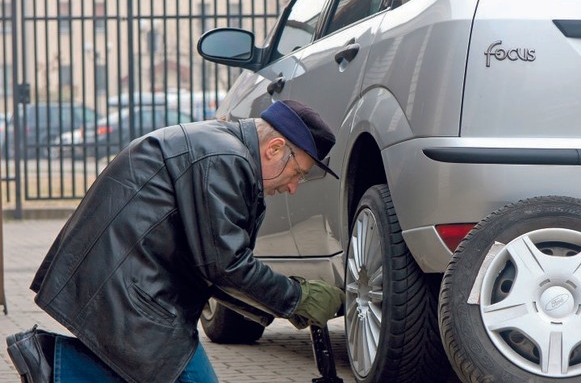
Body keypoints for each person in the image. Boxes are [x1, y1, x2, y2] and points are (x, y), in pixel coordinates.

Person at [6, 100, 344, 383]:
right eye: (298, 172)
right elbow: (226, 264)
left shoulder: (224, 150)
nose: (294, 186)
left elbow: (213, 265)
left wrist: (286, 304)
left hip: (131, 279)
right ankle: (55, 367)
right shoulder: (226, 160)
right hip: (131, 286)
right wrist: (296, 297)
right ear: (274, 149)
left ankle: (57, 367)